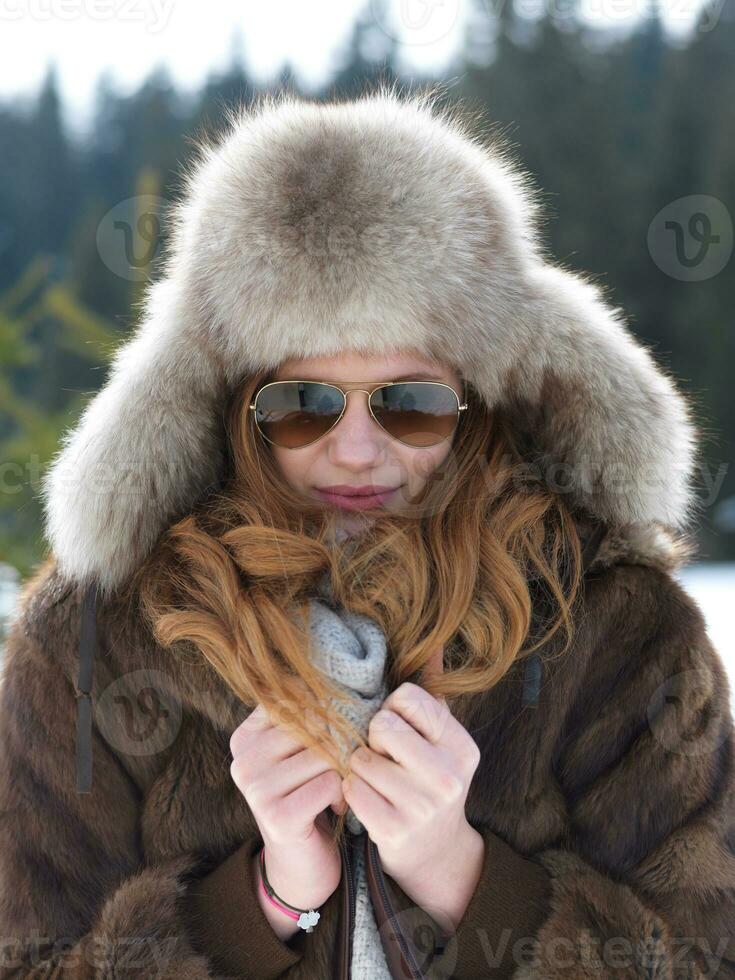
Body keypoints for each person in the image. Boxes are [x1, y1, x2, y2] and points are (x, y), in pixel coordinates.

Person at [0, 84, 733, 980]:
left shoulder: (616, 629)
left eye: (411, 403)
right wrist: (262, 902)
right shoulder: (91, 643)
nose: (356, 450)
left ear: (478, 404)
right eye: (303, 403)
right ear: (232, 409)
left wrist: (462, 878)